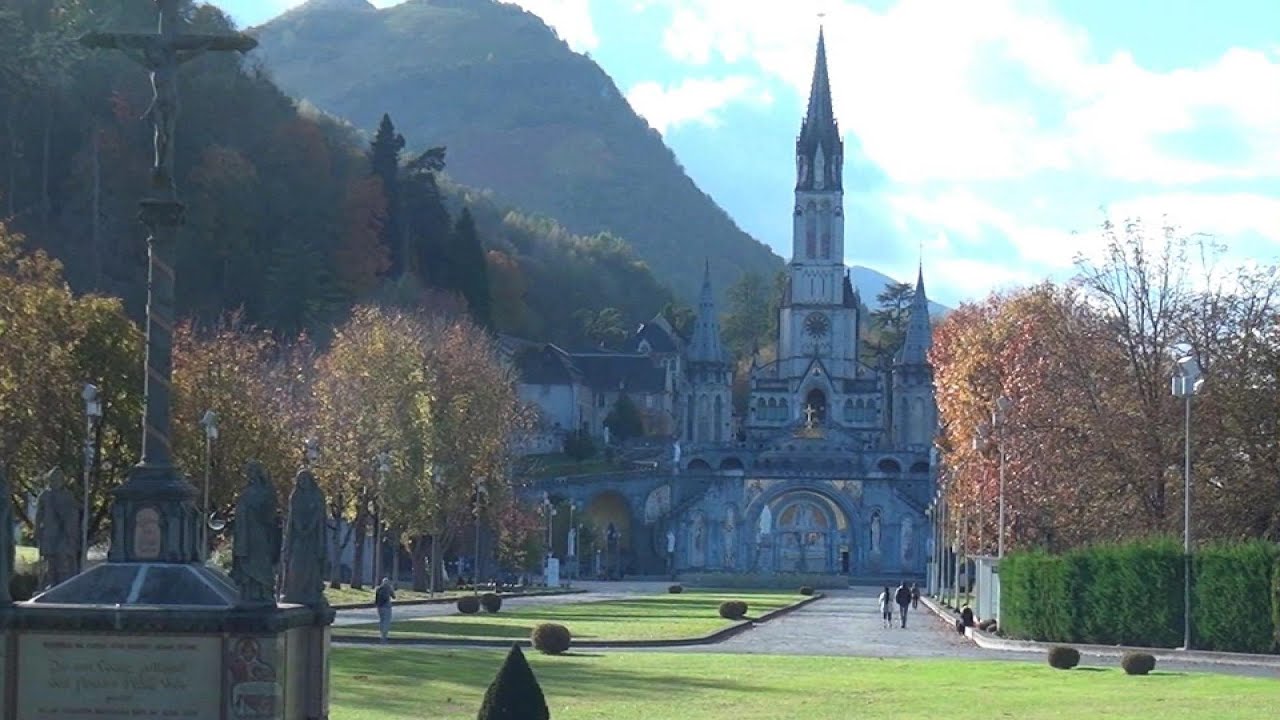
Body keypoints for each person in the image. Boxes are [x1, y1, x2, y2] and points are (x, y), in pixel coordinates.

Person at [375, 577, 396, 643]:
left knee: (381, 621)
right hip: (387, 607)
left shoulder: (378, 589)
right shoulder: (389, 588)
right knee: (386, 622)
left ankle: (381, 634)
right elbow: (394, 597)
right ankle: (384, 637)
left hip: (379, 607)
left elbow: (376, 599)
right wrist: (392, 589)